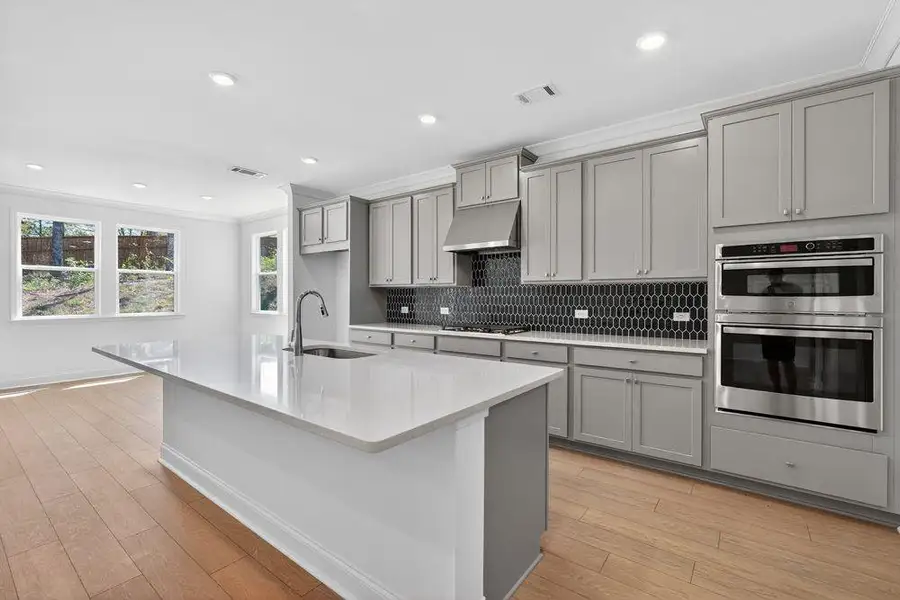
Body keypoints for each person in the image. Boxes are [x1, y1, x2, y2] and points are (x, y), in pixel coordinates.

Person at [761, 270, 802, 394]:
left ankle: (792, 390)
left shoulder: (792, 288)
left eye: (776, 276)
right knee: (771, 362)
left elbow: (798, 303)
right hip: (770, 330)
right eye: (771, 277)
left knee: (788, 362)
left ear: (781, 276)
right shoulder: (766, 291)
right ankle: (776, 388)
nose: (773, 279)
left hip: (786, 329)